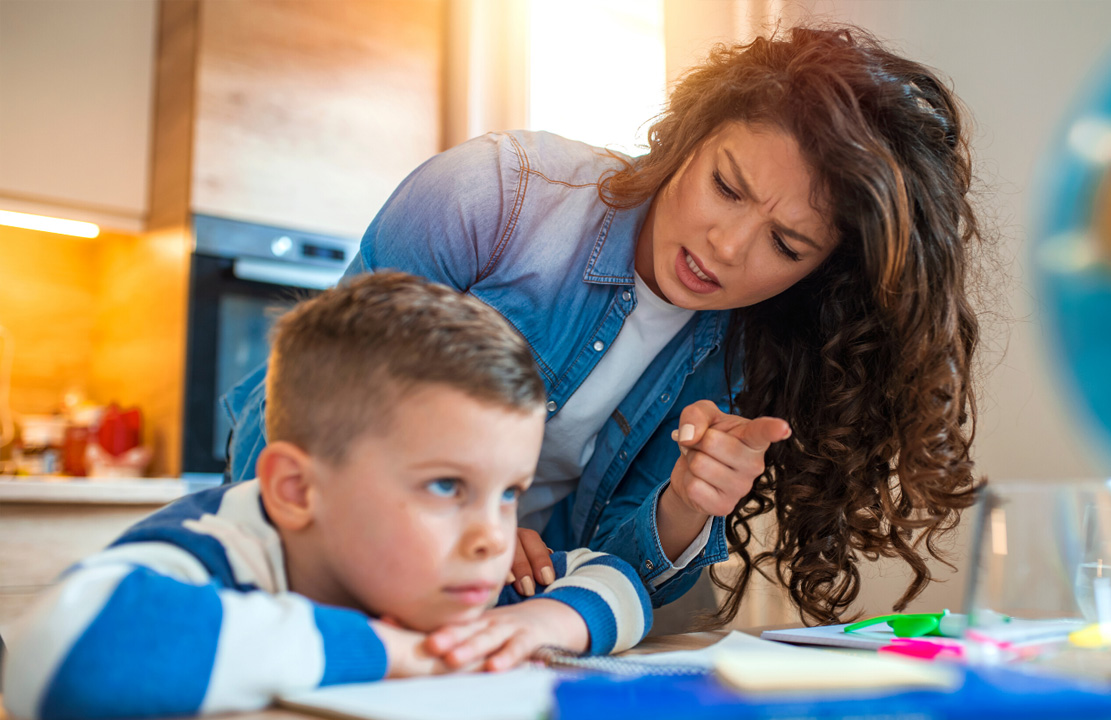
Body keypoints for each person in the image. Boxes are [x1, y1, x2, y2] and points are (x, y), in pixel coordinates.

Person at [225, 24, 984, 625]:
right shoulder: (493, 198)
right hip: (331, 580)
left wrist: (689, 501)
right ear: (690, 136)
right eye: (726, 187)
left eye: (786, 245)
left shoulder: (761, 346)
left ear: (821, 272)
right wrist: (454, 533)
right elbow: (290, 421)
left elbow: (612, 571)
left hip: (516, 621)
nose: (726, 247)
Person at [3, 274, 652, 719]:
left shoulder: (457, 571)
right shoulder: (218, 550)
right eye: (447, 485)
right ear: (296, 490)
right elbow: (53, 652)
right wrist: (393, 651)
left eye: (509, 492)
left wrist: (536, 622)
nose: (494, 536)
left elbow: (619, 581)